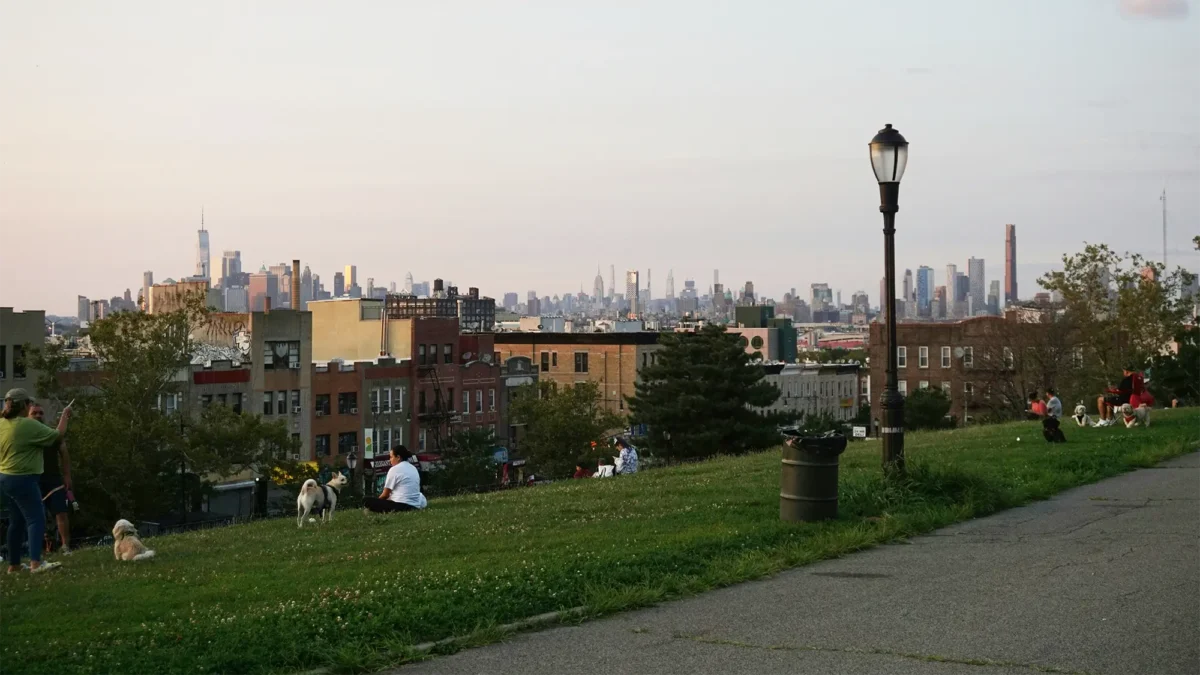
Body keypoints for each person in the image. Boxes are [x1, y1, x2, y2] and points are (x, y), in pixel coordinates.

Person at [1, 389, 70, 574]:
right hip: (24, 478)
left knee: (16, 522)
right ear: (23, 405)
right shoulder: (26, 425)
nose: (31, 407)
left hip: (5, 478)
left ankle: (14, 565)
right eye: (29, 405)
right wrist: (65, 416)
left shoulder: (2, 423)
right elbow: (58, 435)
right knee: (36, 519)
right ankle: (36, 563)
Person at [28, 403, 72, 555]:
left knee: (61, 512)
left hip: (53, 479)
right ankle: (40, 548)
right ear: (28, 415)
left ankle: (65, 546)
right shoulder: (25, 434)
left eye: (41, 413)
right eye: (35, 413)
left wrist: (67, 475)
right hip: (33, 480)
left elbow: (64, 453)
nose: (39, 415)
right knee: (36, 515)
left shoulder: (50, 433)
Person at [364, 445, 427, 513]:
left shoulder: (394, 469)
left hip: (400, 506)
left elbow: (385, 495)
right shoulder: (413, 468)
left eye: (391, 457)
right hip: (415, 505)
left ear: (398, 457)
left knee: (366, 500)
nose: (390, 460)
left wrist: (378, 502)